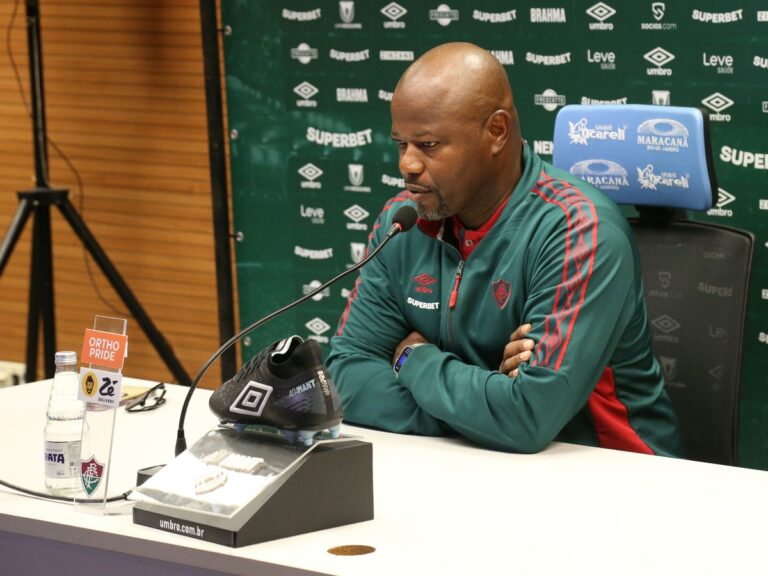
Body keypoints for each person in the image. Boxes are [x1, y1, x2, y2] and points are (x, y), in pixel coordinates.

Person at [326, 42, 683, 456]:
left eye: (428, 145)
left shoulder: (579, 230)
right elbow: (346, 374)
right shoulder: (401, 223)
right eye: (400, 144)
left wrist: (412, 358)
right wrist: (482, 408)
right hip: (481, 464)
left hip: (618, 476)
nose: (407, 164)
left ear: (496, 132)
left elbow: (528, 417)